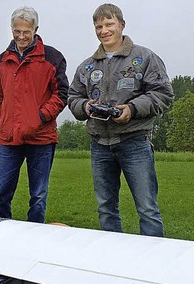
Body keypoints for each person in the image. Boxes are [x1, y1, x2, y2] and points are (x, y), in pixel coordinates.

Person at [68, 3, 174, 237]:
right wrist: (85, 106)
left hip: (134, 141)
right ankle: (111, 261)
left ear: (121, 25)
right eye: (98, 26)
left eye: (109, 24)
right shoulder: (86, 66)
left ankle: (154, 265)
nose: (103, 30)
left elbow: (163, 94)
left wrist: (131, 109)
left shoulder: (145, 57)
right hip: (99, 145)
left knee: (147, 209)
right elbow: (73, 97)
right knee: (106, 209)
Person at [0, 6, 69, 223]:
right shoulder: (2, 60)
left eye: (26, 32)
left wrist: (39, 117)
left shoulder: (53, 57)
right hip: (9, 138)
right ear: (11, 30)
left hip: (41, 138)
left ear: (36, 30)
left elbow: (62, 95)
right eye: (17, 31)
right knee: (0, 195)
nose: (21, 36)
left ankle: (35, 237)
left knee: (38, 196)